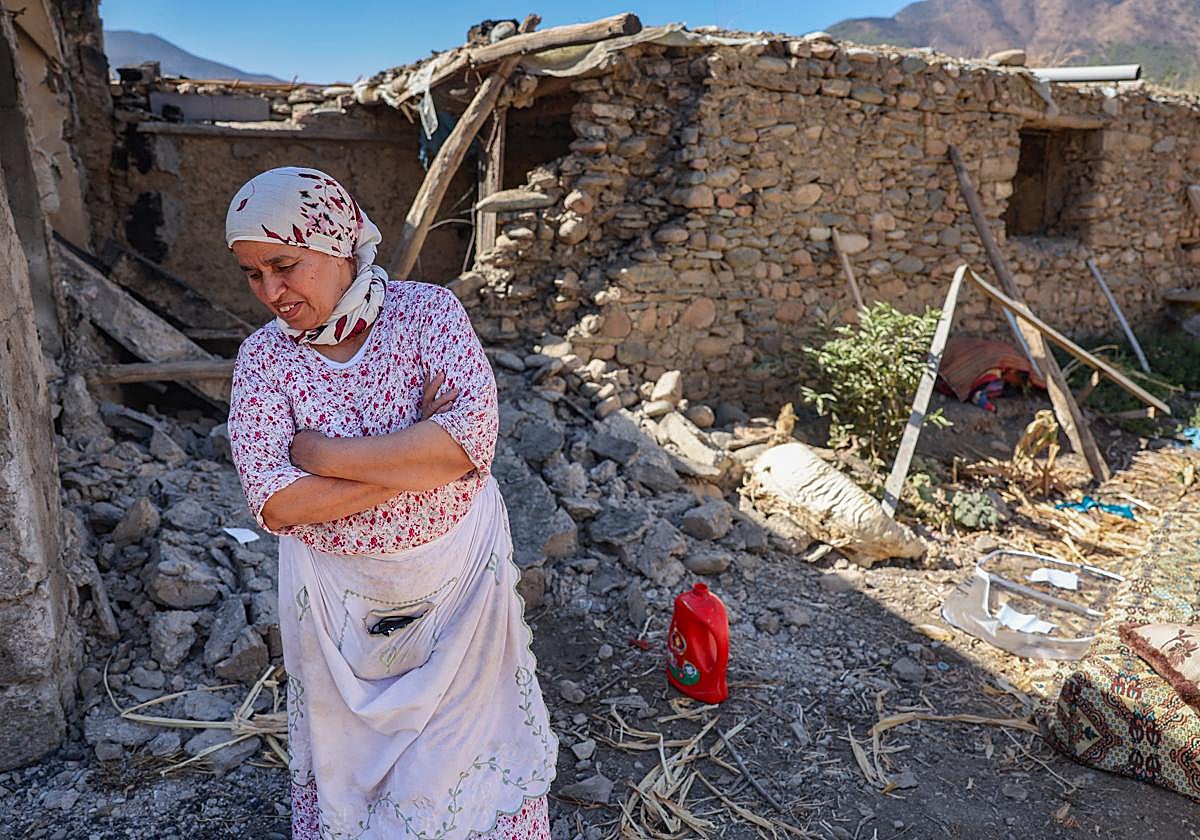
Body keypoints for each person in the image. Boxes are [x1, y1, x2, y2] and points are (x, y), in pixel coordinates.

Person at [224, 167, 557, 840]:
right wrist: (417, 459)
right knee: (358, 768)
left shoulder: (427, 314)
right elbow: (278, 505)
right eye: (254, 275)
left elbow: (471, 445)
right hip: (337, 601)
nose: (271, 293)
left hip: (457, 582)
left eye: (284, 265)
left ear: (339, 241)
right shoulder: (263, 360)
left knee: (463, 756)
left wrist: (320, 456)